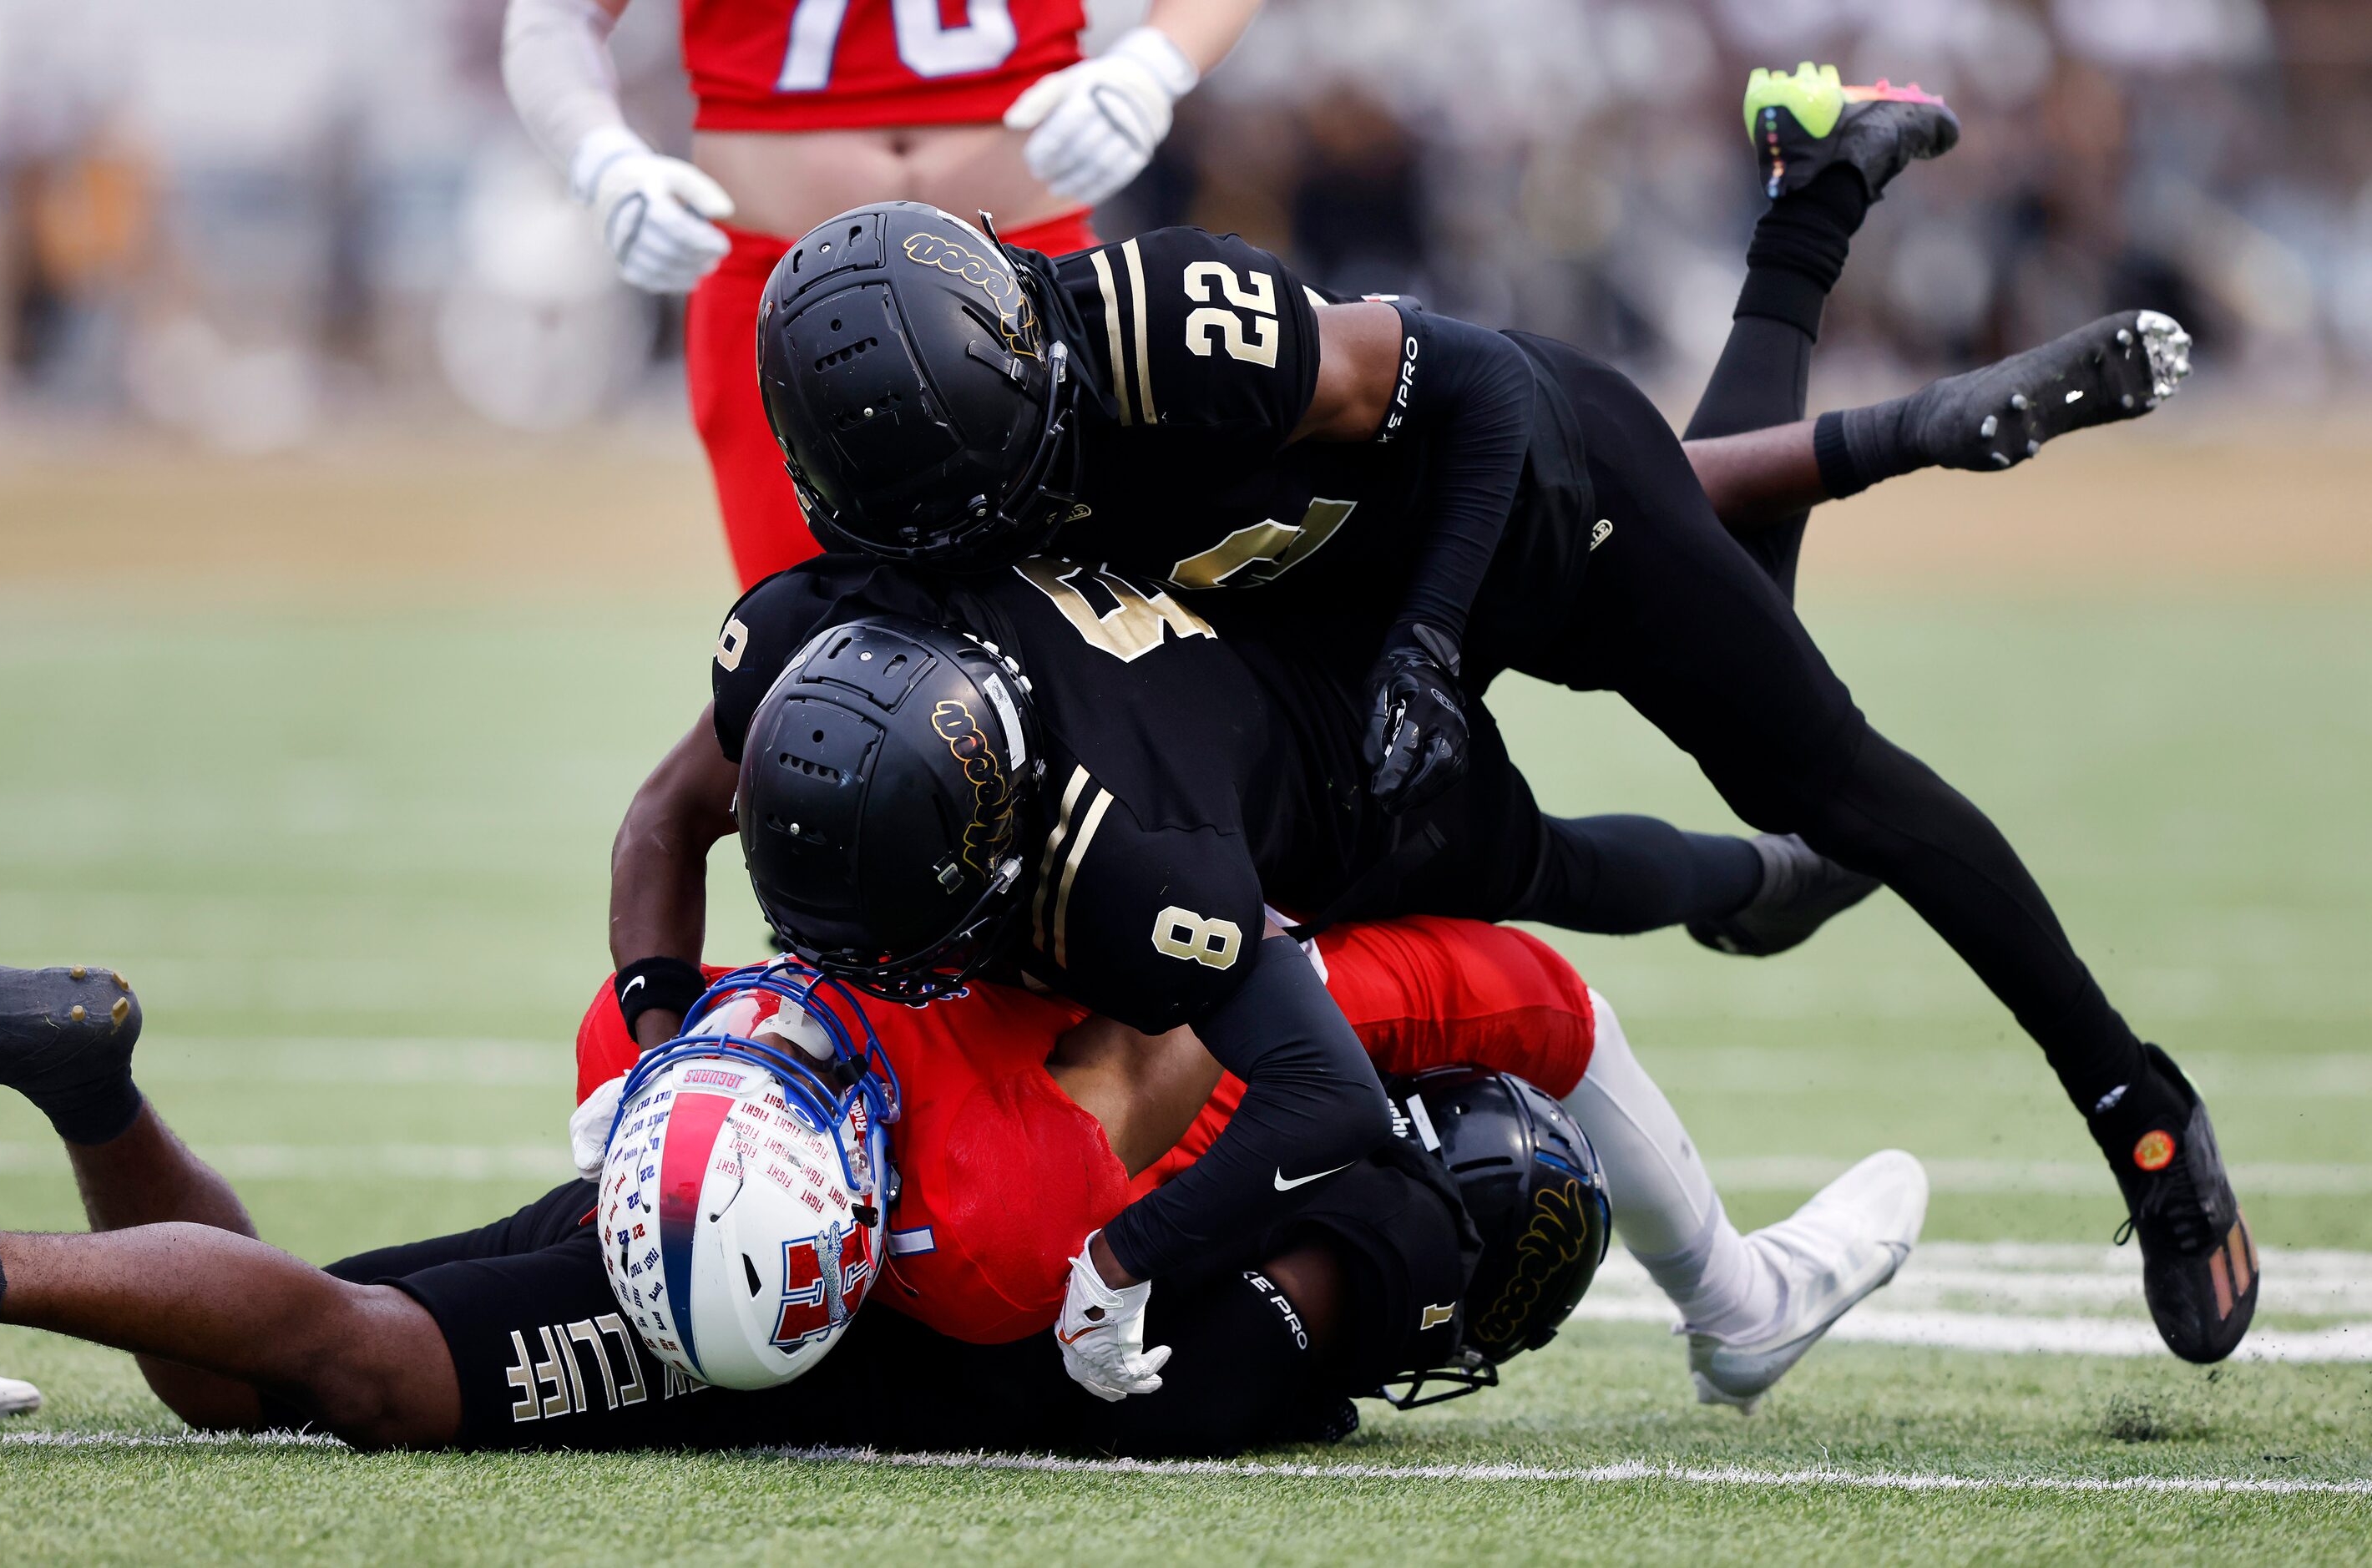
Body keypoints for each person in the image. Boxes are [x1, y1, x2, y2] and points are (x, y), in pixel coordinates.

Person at [743, 64, 2252, 1363]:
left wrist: (1426, 643)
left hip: (1514, 506)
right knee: (1446, 847)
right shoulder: (916, 473)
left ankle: (2141, 1105)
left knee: (1823, 779)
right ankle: (1832, 290)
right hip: (1295, 608)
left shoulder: (1169, 329)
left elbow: (1484, 393)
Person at [0, 929, 1917, 1446]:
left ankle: (88, 1094)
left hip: (812, 1079)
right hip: (824, 1286)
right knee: (340, 1368)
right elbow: (1090, 1361)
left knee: (261, 1364)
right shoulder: (1325, 1287)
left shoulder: (1291, 996)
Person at [571, 914, 1924, 1406]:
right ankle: (1737, 1305)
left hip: (921, 1097)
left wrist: (647, 1057)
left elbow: (680, 800)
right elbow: (1550, 1004)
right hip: (1023, 1223)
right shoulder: (1024, 1218)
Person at [502, 0, 1262, 582]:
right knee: (805, 641)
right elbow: (555, 16)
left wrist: (1152, 67)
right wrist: (598, 157)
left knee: (1073, 618)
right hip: (778, 278)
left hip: (1027, 265)